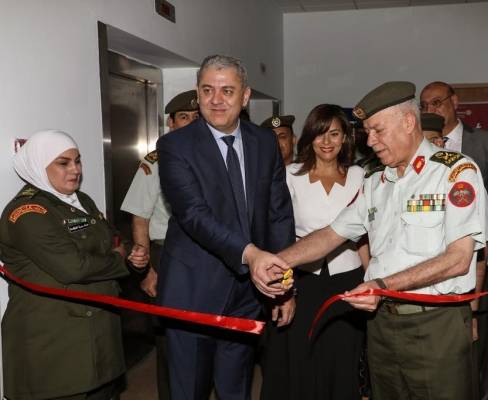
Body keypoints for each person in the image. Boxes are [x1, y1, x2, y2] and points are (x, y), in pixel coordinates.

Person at [250, 81, 487, 400]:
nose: (370, 141)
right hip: (381, 323)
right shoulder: (376, 183)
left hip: (434, 323)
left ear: (408, 122)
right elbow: (330, 234)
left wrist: (383, 285)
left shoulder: (455, 173)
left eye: (377, 130)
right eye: (367, 132)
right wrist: (277, 262)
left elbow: (459, 259)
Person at [156, 54, 295, 400]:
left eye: (227, 91)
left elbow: (278, 213)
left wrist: (283, 283)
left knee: (236, 387)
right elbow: (193, 215)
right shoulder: (174, 146)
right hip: (193, 289)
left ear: (245, 96)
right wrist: (250, 254)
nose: (216, 100)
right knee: (190, 389)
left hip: (249, 291)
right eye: (207, 90)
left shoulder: (264, 142)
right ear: (198, 94)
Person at [0, 129, 148, 400]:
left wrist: (133, 255)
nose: (75, 170)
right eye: (63, 163)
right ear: (38, 165)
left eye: (77, 161)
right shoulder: (27, 213)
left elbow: (114, 239)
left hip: (100, 337)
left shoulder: (82, 201)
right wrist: (118, 258)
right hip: (57, 345)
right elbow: (74, 268)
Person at [261, 104, 369, 400]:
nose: (327, 142)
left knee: (343, 355)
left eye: (334, 134)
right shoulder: (290, 175)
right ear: (309, 138)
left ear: (345, 137)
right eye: (320, 134)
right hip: (302, 280)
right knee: (301, 356)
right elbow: (278, 234)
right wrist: (282, 287)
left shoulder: (360, 176)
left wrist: (371, 278)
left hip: (347, 280)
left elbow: (364, 237)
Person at [420, 81, 488, 400]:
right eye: (425, 105)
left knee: (475, 339)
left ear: (455, 101)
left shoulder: (485, 143)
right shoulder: (419, 142)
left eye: (437, 102)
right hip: (431, 257)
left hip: (478, 257)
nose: (431, 109)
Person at [120, 89, 199, 400]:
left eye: (196, 117)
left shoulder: (212, 157)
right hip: (166, 254)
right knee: (171, 336)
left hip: (204, 255)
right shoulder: (155, 161)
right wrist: (147, 271)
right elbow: (139, 217)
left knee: (203, 332)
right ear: (171, 123)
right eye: (184, 117)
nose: (191, 123)